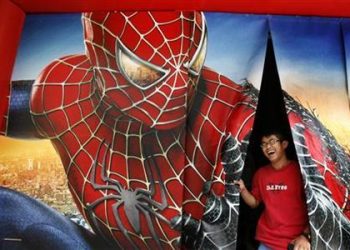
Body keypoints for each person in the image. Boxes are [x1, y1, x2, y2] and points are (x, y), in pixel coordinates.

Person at [235, 131, 311, 250]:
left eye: (272, 141)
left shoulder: (300, 172)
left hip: (296, 242)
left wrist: (305, 235)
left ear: (284, 144)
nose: (268, 147)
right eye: (264, 144)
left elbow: (313, 207)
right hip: (268, 241)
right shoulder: (260, 174)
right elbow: (254, 203)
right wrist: (243, 189)